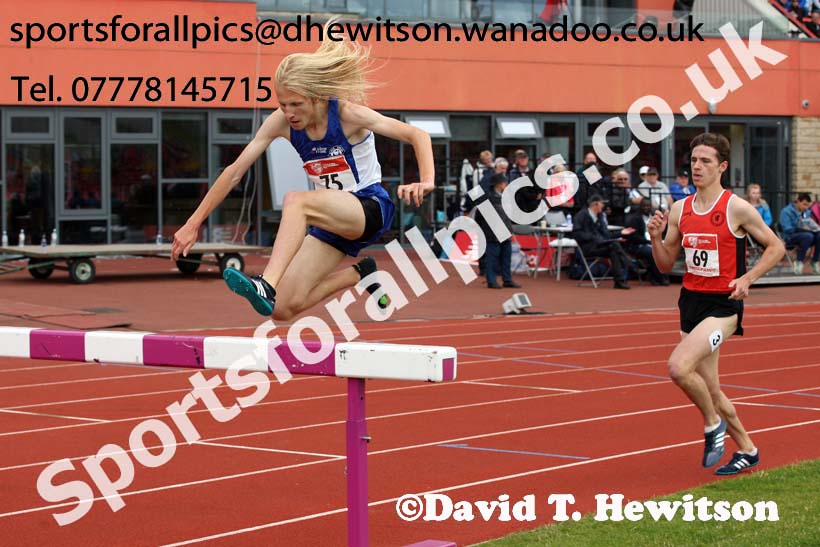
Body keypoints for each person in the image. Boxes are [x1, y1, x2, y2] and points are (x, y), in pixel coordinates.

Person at [172, 28, 434, 320]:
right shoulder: (281, 122)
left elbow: (417, 134)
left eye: (296, 104)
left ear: (317, 98)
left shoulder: (348, 115)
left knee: (296, 200)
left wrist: (427, 180)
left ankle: (265, 285)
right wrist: (193, 223)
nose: (289, 113)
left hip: (368, 207)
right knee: (282, 310)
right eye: (283, 104)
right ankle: (360, 273)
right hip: (330, 221)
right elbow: (234, 172)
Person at [647, 132, 785, 475]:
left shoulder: (735, 207)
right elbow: (666, 265)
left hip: (723, 306)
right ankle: (749, 450)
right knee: (711, 387)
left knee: (679, 367)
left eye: (706, 161)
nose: (698, 167)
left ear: (722, 166)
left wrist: (747, 278)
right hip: (690, 302)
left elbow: (776, 247)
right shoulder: (681, 209)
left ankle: (712, 425)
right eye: (694, 160)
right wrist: (654, 237)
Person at [571, 194, 635, 290]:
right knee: (614, 246)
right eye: (602, 203)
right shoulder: (581, 215)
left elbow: (606, 234)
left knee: (614, 248)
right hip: (588, 247)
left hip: (600, 245)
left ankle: (619, 281)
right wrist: (593, 237)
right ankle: (630, 266)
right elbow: (576, 234)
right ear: (595, 204)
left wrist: (620, 233)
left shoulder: (600, 216)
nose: (603, 206)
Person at [477, 173, 521, 289]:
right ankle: (491, 281)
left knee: (506, 257)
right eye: (504, 182)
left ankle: (507, 280)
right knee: (492, 258)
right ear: (499, 184)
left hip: (505, 231)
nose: (506, 185)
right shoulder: (488, 198)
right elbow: (480, 217)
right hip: (492, 233)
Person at [624, 198, 669, 285]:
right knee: (651, 252)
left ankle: (663, 276)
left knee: (664, 250)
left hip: (653, 242)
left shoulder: (654, 217)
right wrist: (648, 241)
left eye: (648, 206)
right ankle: (656, 278)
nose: (646, 208)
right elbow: (634, 237)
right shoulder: (634, 219)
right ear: (640, 207)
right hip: (638, 245)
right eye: (644, 206)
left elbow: (661, 231)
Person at [779, 192, 820, 275]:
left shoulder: (807, 212)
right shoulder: (786, 211)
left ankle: (815, 261)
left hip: (808, 235)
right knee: (808, 236)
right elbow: (787, 229)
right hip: (790, 237)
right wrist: (801, 229)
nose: (806, 208)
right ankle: (799, 262)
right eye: (804, 204)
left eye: (807, 205)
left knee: (818, 236)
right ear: (797, 201)